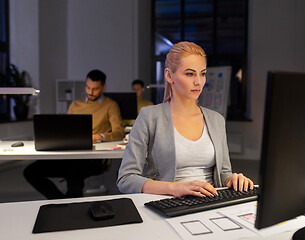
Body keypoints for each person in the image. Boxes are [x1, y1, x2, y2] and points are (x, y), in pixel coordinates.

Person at [117, 42, 253, 197]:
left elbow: (223, 173)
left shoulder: (217, 120)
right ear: (169, 75)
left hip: (209, 202)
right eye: (190, 74)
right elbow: (126, 179)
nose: (198, 82)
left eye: (202, 73)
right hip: (167, 202)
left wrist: (232, 179)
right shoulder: (150, 116)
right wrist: (175, 188)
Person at [24, 70, 125, 199]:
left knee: (74, 171)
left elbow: (119, 133)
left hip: (93, 158)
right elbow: (67, 131)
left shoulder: (110, 105)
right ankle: (60, 201)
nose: (90, 92)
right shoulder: (75, 105)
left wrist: (100, 136)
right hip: (71, 154)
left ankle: (70, 203)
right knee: (31, 172)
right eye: (88, 87)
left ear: (103, 87)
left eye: (95, 89)